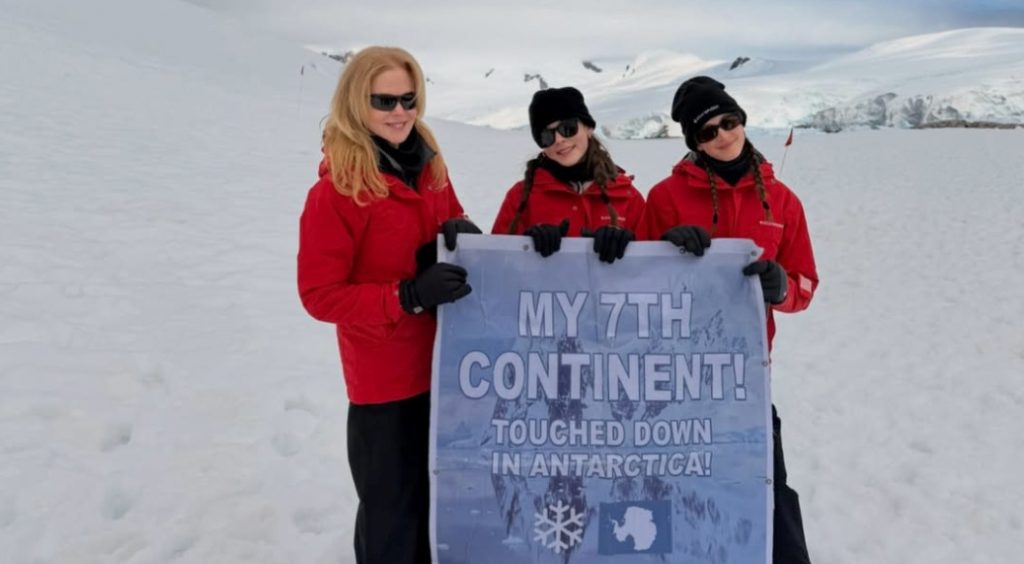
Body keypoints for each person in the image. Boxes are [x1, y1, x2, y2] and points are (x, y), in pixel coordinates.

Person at [297, 46, 480, 564]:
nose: (400, 112)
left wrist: (458, 232)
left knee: (437, 507)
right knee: (392, 517)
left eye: (409, 99)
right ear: (357, 102)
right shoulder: (336, 191)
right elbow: (319, 295)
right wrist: (407, 295)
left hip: (445, 365)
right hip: (384, 381)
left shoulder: (428, 162)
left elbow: (451, 215)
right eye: (385, 101)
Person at [638, 76, 819, 564]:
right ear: (693, 142)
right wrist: (663, 251)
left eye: (729, 121)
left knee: (767, 483)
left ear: (742, 120)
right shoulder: (664, 197)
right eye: (707, 131)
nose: (722, 135)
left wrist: (781, 287)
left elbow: (805, 284)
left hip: (746, 377)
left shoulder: (782, 200)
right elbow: (634, 286)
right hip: (675, 376)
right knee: (675, 485)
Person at [492, 87, 645, 263]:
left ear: (588, 128)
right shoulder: (521, 197)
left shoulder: (627, 196)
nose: (559, 140)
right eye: (547, 136)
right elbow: (496, 264)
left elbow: (653, 268)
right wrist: (526, 247)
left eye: (568, 128)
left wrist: (630, 246)